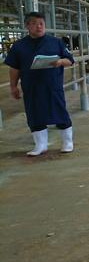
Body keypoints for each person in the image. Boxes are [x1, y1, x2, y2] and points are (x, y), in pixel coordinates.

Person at [4, 12, 75, 156]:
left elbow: (70, 60)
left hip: (52, 86)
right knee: (34, 115)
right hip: (31, 87)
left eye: (41, 23)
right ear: (27, 26)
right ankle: (40, 145)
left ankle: (67, 142)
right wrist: (13, 86)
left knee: (60, 113)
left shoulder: (55, 42)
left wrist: (60, 62)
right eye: (35, 24)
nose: (39, 26)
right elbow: (14, 68)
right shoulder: (19, 46)